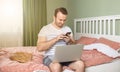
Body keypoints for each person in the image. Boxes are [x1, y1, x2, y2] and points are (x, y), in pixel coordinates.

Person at [37, 7, 85, 72]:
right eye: (60, 20)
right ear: (54, 17)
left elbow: (74, 43)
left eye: (64, 20)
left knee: (81, 64)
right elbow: (39, 48)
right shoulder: (45, 29)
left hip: (65, 56)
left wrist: (69, 41)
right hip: (50, 56)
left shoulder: (68, 29)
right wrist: (56, 39)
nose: (62, 22)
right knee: (56, 66)